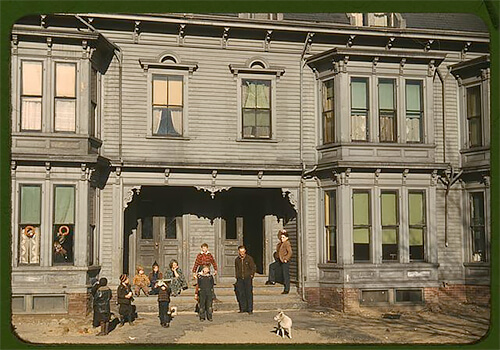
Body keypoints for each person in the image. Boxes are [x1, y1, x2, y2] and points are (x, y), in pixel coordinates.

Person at [234, 245, 256, 314]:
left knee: (248, 293)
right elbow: (237, 269)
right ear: (238, 252)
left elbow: (253, 267)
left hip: (247, 278)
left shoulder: (249, 259)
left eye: (243, 251)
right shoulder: (237, 260)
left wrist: (251, 275)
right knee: (241, 293)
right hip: (240, 278)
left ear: (245, 251)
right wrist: (237, 276)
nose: (242, 253)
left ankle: (250, 309)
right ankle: (242, 308)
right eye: (240, 252)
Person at [276, 229, 293, 294]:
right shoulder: (281, 243)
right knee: (272, 266)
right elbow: (278, 236)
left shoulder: (287, 243)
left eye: (283, 237)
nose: (282, 238)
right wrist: (280, 231)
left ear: (287, 238)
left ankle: (286, 289)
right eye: (281, 237)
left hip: (284, 261)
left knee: (286, 275)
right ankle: (271, 280)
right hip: (280, 260)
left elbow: (290, 252)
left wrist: (286, 259)